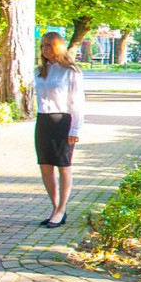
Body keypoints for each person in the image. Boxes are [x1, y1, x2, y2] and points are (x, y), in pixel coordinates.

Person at [34, 32, 85, 228]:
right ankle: (55, 208)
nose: (44, 49)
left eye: (48, 45)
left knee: (64, 165)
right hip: (43, 120)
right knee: (45, 165)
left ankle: (62, 208)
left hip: (63, 120)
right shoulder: (40, 71)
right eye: (42, 46)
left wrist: (75, 129)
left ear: (58, 47)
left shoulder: (70, 71)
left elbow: (77, 102)